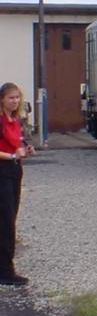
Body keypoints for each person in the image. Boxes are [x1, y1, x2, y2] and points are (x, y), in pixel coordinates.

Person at [0, 82, 33, 286]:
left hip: (14, 170)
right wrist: (12, 154)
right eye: (11, 97)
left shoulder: (16, 120)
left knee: (10, 217)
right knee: (5, 221)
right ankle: (5, 271)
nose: (15, 101)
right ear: (2, 99)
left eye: (17, 97)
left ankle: (4, 265)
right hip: (2, 170)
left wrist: (24, 149)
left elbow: (18, 142)